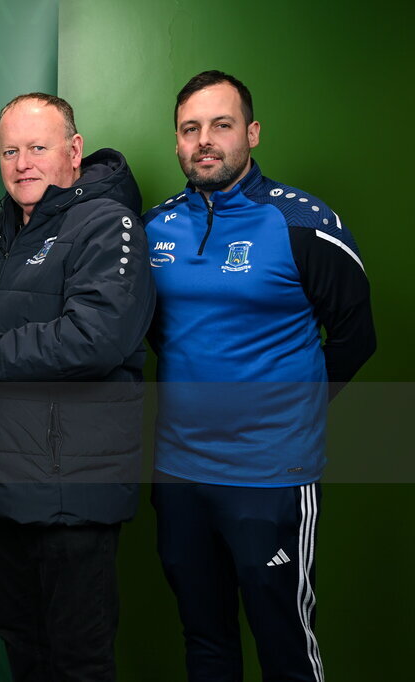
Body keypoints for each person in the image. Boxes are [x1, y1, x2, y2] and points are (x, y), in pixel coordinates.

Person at [143, 70, 376, 681]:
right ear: (177, 141)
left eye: (221, 125)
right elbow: (153, 332)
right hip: (179, 474)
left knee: (286, 645)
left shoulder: (303, 223)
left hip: (271, 476)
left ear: (251, 133)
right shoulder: (153, 228)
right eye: (190, 129)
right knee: (205, 642)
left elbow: (356, 337)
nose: (204, 140)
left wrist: (289, 408)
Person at [0, 93, 155, 681]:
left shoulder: (110, 225)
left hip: (71, 489)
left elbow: (93, 341)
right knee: (22, 648)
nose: (22, 163)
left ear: (74, 151)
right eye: (10, 151)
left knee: (79, 660)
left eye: (37, 148)